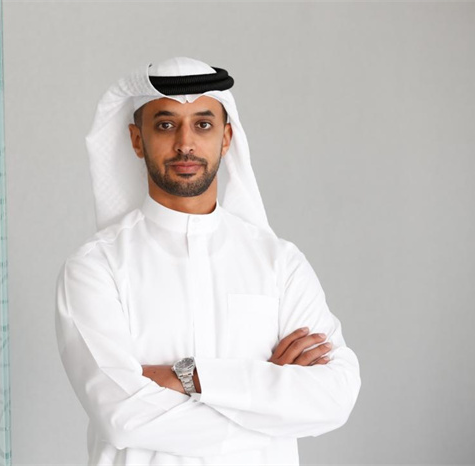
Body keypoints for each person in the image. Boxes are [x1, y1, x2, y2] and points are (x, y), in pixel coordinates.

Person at [55, 57, 361, 465]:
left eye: (202, 124)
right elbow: (123, 416)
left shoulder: (280, 263)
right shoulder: (96, 268)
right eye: (166, 125)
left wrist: (188, 376)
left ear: (226, 137)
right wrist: (270, 405)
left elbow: (335, 396)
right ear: (137, 139)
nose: (185, 143)